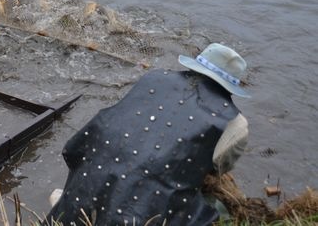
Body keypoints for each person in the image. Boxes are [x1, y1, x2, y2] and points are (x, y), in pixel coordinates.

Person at [45, 43, 250, 226]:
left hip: (81, 196)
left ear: (195, 64)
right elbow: (219, 168)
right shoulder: (236, 123)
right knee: (218, 208)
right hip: (143, 215)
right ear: (232, 85)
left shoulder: (153, 78)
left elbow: (79, 146)